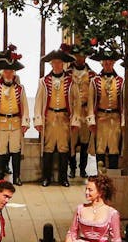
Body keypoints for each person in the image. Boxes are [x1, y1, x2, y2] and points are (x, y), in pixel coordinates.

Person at [35, 47, 79, 187]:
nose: (57, 65)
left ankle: (63, 178)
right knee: (48, 148)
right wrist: (38, 120)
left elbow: (76, 102)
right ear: (51, 64)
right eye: (54, 63)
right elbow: (39, 101)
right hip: (49, 117)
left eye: (59, 63)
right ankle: (46, 177)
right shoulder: (43, 81)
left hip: (64, 118)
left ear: (63, 64)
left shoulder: (72, 81)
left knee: (63, 148)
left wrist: (75, 120)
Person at [0, 56, 29, 184]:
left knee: (16, 150)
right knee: (0, 150)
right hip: (0, 123)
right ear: (2, 73)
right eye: (6, 71)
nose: (8, 74)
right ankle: (0, 176)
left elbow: (25, 106)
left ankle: (17, 177)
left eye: (11, 71)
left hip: (15, 123)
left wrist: (25, 122)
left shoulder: (20, 88)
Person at [89, 50, 125, 173]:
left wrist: (123, 120)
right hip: (100, 118)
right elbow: (91, 102)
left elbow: (123, 103)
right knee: (100, 147)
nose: (108, 64)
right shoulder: (95, 81)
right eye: (105, 62)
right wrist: (91, 121)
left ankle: (113, 174)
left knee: (114, 147)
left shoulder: (121, 81)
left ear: (113, 63)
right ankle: (100, 175)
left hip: (115, 118)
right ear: (102, 63)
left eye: (110, 62)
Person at [65, 175, 122, 242]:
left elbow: (116, 239)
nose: (86, 192)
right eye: (86, 189)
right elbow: (71, 233)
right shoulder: (80, 209)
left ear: (100, 192)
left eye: (90, 190)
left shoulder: (112, 213)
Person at [69, 43, 95, 179]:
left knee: (85, 141)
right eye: (78, 55)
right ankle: (72, 168)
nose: (80, 58)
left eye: (83, 56)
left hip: (85, 110)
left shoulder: (91, 75)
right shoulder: (68, 73)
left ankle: (83, 168)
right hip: (73, 111)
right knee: (71, 141)